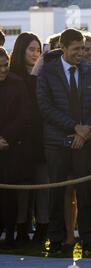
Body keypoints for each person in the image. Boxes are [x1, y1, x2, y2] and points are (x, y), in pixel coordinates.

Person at [36, 28, 91, 257]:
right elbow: (45, 108)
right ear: (63, 48)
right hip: (56, 142)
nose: (81, 53)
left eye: (83, 48)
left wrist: (84, 133)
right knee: (56, 193)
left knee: (84, 193)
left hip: (84, 142)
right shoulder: (48, 72)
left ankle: (87, 242)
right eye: (75, 49)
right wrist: (74, 127)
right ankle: (56, 242)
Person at [9, 32, 46, 246]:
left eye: (38, 49)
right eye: (31, 49)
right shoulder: (13, 76)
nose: (35, 53)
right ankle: (21, 228)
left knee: (43, 186)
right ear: (21, 50)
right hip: (19, 141)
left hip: (41, 139)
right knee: (22, 188)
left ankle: (42, 228)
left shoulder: (44, 74)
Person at [0, 47, 32, 249]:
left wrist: (6, 138)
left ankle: (10, 233)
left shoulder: (18, 84)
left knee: (10, 194)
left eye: (5, 65)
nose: (3, 70)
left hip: (11, 147)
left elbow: (25, 116)